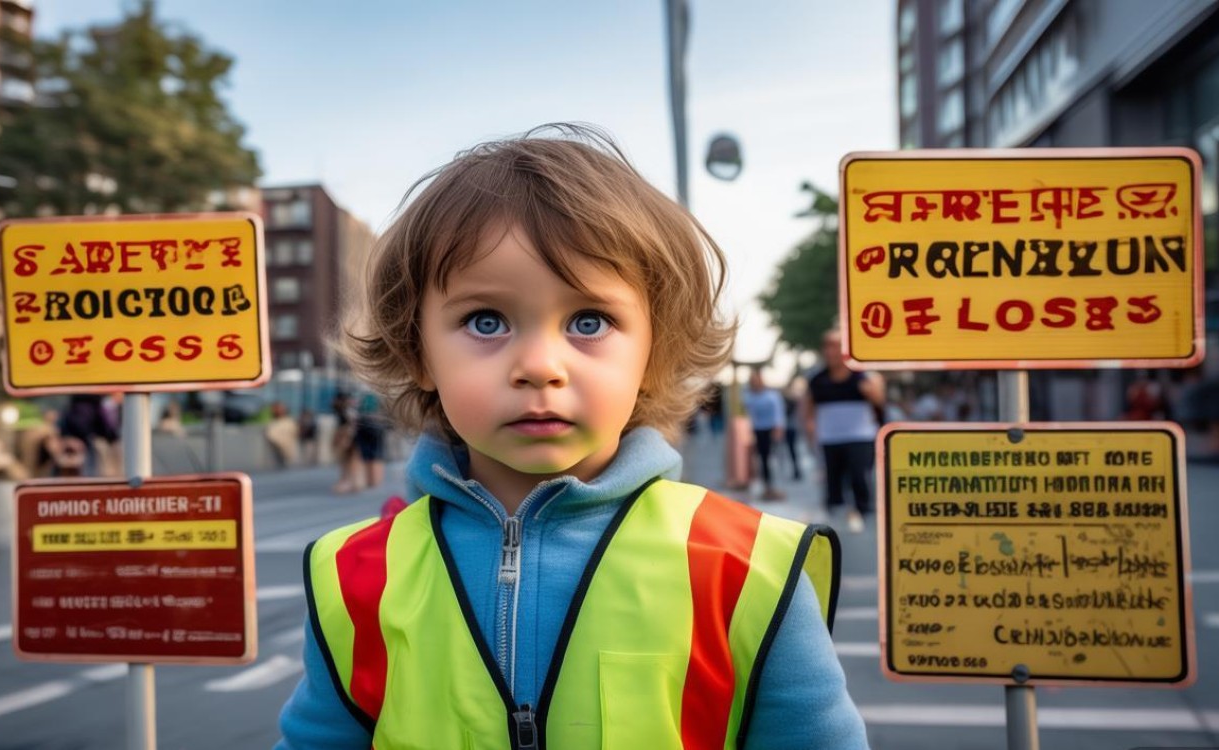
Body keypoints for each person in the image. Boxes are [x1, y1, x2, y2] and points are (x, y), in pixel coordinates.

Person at [276, 125, 867, 748]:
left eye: (589, 321)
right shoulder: (353, 578)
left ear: (654, 350)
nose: (540, 365)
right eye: (486, 321)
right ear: (417, 350)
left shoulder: (747, 569)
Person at [801, 329, 884, 534]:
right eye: (827, 346)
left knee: (859, 476)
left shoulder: (864, 375)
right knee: (833, 479)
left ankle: (862, 513)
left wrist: (870, 390)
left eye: (836, 346)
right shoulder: (816, 379)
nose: (831, 351)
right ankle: (835, 516)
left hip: (860, 436)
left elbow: (880, 401)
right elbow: (808, 410)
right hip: (830, 438)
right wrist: (810, 430)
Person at [743, 369, 786, 500]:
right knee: (762, 459)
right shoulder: (749, 397)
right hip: (758, 430)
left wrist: (778, 428)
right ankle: (767, 485)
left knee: (774, 458)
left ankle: (776, 486)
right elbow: (749, 414)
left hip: (771, 429)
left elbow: (778, 413)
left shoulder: (771, 396)